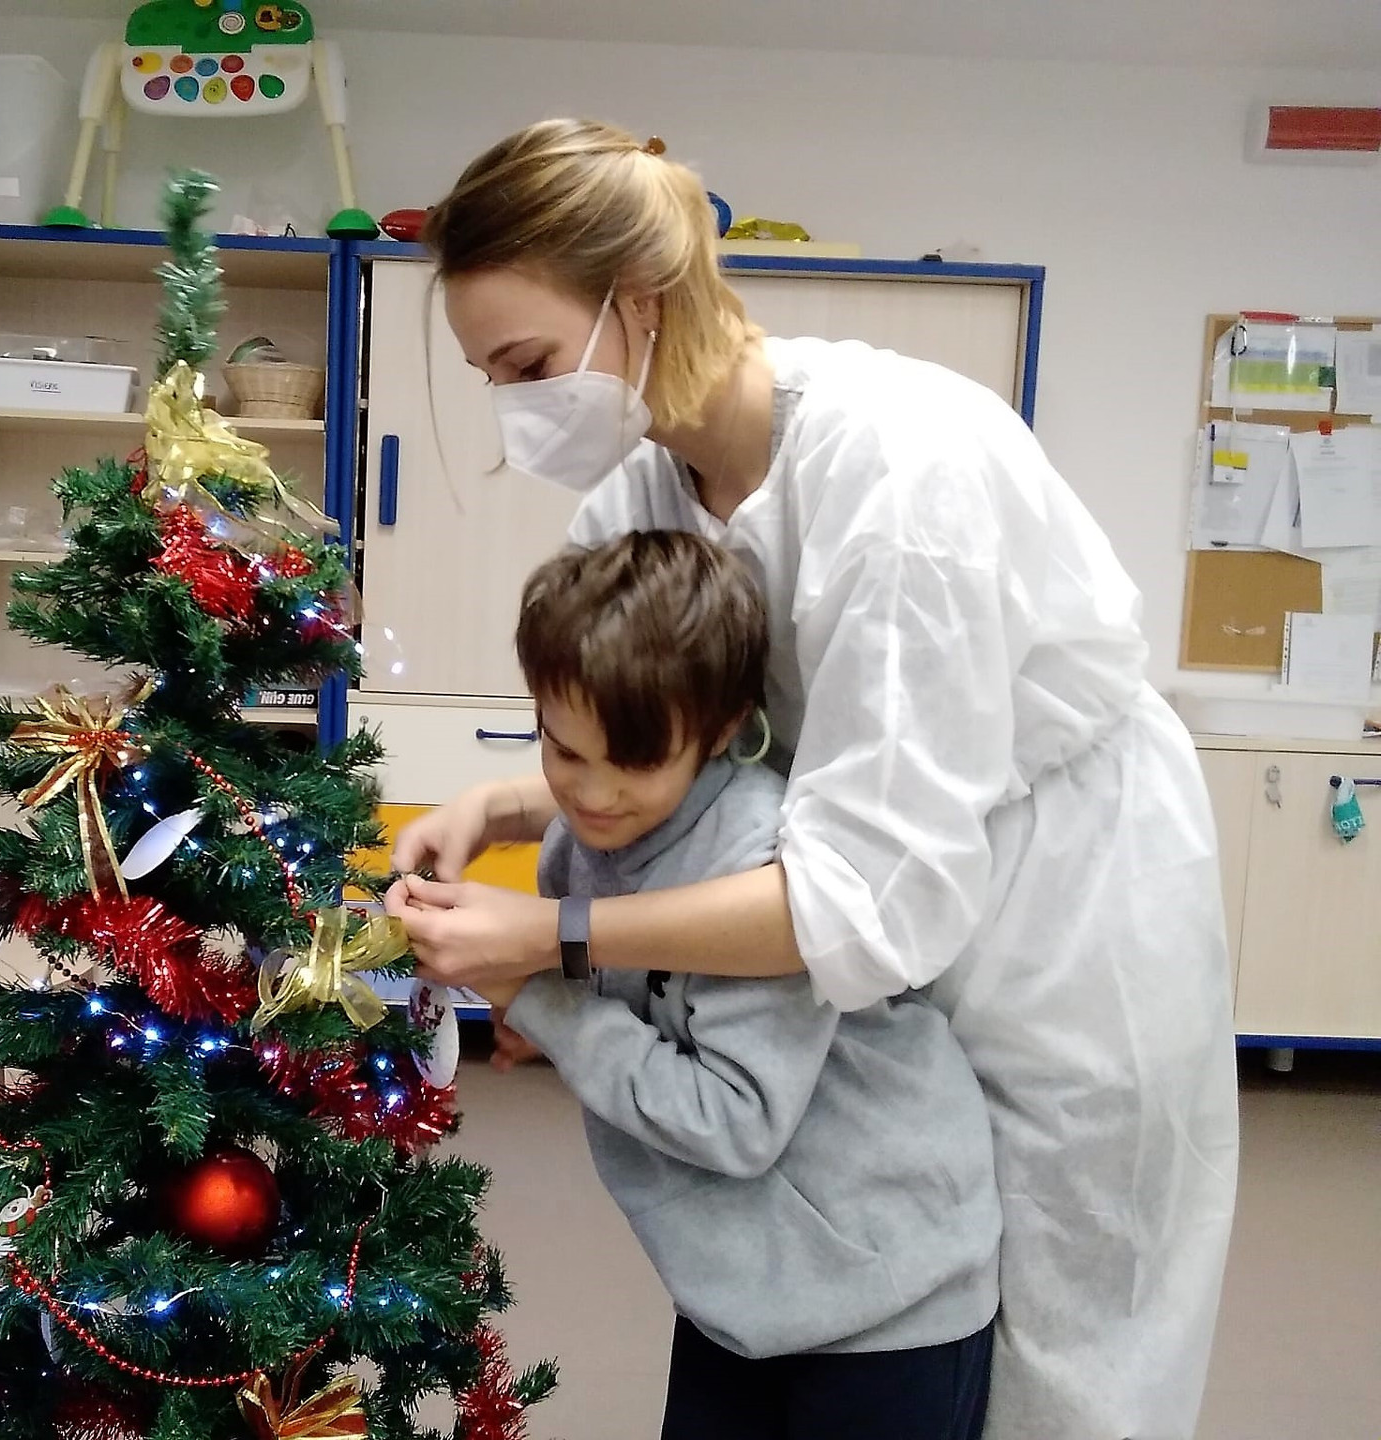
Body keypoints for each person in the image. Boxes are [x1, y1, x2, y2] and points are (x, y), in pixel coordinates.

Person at [385, 119, 1239, 1440]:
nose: (518, 409)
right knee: (896, 1250)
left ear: (642, 302)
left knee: (1068, 1336)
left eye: (530, 364)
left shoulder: (905, 478)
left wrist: (549, 942)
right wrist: (499, 805)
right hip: (869, 880)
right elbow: (700, 750)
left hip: (1065, 916)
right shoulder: (645, 497)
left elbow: (857, 900)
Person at [483, 528, 1000, 1440]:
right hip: (744, 1292)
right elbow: (619, 1007)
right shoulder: (581, 847)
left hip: (884, 1298)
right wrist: (548, 1011)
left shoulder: (757, 858)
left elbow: (733, 1117)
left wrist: (536, 996)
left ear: (721, 732)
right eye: (564, 753)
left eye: (635, 762)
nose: (592, 795)